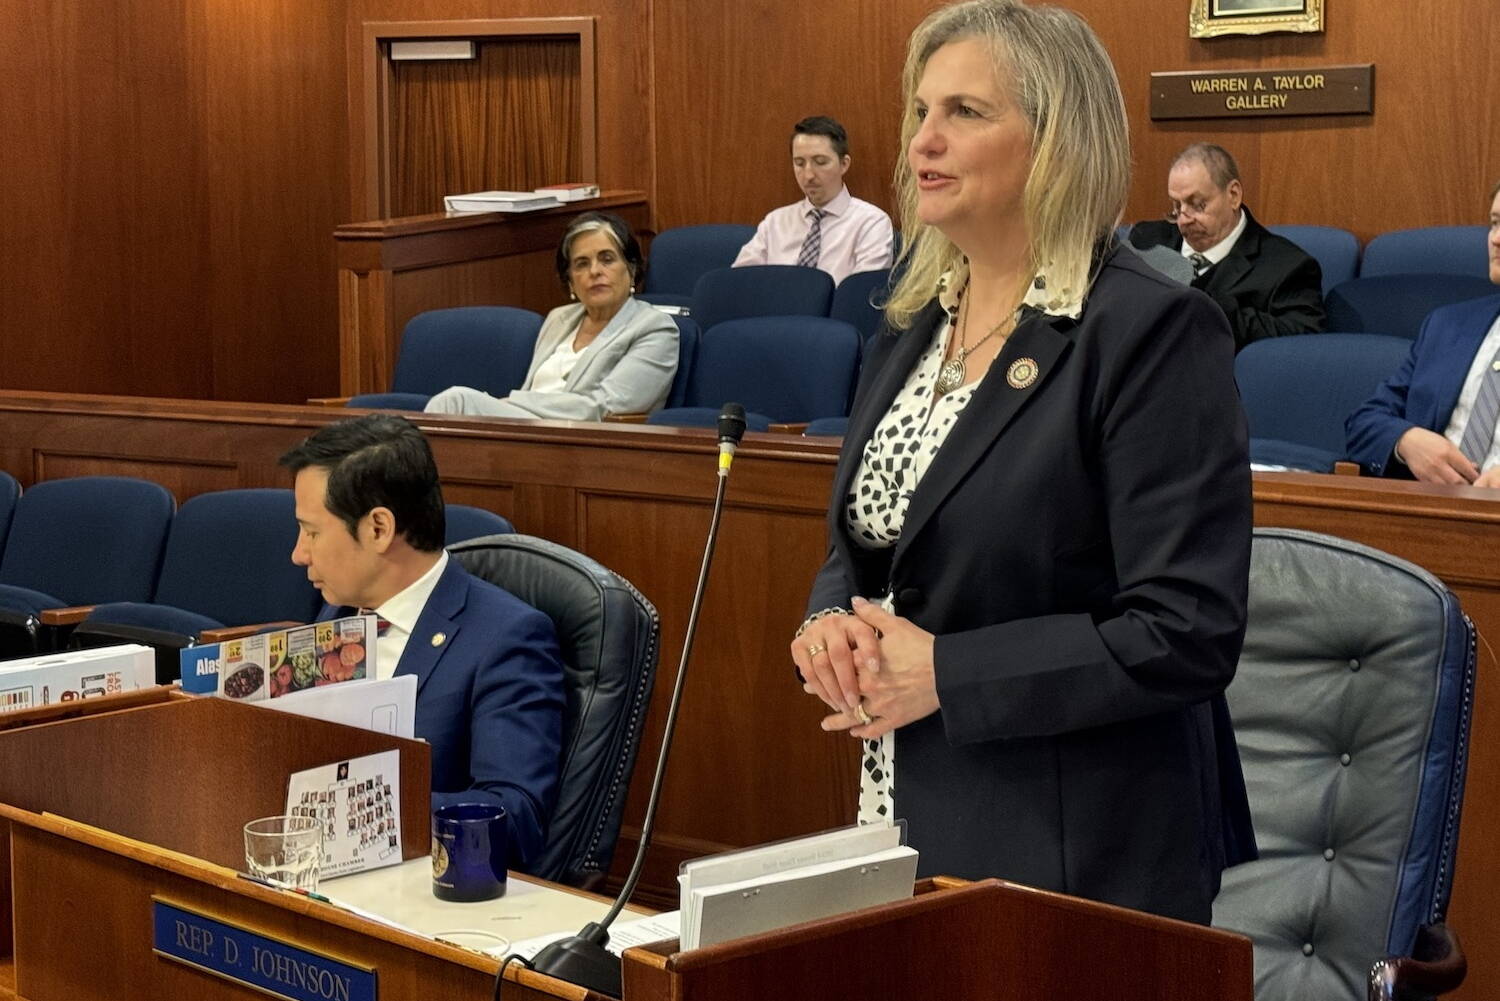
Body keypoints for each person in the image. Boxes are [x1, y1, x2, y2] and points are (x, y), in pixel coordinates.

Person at [790, 0, 1255, 925]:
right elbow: (878, 538)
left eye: (965, 112)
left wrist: (948, 673)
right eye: (920, 111)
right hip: (908, 805)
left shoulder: (1151, 332)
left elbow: (1187, 628)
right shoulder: (911, 326)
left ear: (1057, 140)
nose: (924, 140)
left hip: (1083, 849)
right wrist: (830, 615)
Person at [279, 414, 564, 868]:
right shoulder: (336, 613)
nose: (299, 553)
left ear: (378, 529)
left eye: (312, 531)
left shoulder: (507, 638)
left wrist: (362, 808)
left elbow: (517, 819)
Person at [425, 212, 677, 419]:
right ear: (570, 282)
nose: (595, 271)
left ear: (631, 270)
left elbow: (604, 406)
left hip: (584, 441)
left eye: (607, 259)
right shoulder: (559, 319)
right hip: (528, 429)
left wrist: (514, 403)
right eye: (581, 264)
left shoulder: (655, 329)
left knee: (455, 402)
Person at [1345, 183, 1500, 485]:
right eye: (1495, 223)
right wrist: (1405, 441)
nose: (1496, 239)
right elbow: (1364, 423)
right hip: (1427, 512)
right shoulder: (1448, 326)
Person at [1128, 142, 1324, 351]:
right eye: (1176, 206)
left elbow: (1304, 346)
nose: (1183, 220)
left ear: (1233, 195)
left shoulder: (1288, 267)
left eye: (1198, 204)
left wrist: (1211, 307)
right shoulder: (1144, 241)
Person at [732, 116, 895, 285]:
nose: (808, 175)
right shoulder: (775, 222)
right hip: (774, 310)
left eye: (820, 162)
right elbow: (738, 284)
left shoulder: (871, 223)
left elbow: (860, 294)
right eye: (799, 163)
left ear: (844, 164)